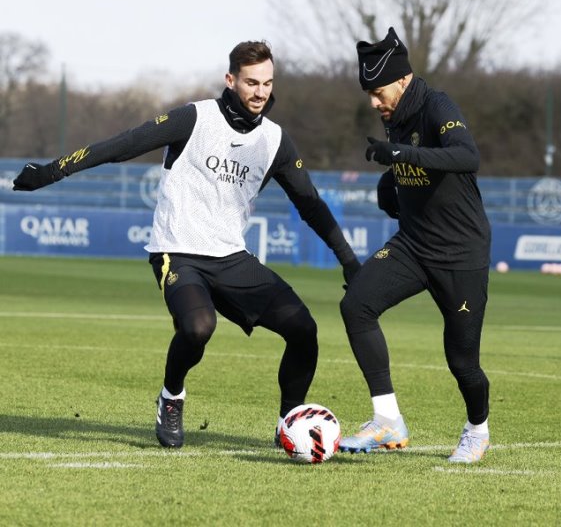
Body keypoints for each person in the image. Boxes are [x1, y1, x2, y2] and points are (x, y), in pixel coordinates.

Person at [13, 40, 361, 449]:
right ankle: (171, 397)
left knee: (303, 329)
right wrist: (52, 172)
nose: (260, 92)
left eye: (267, 83)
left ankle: (290, 422)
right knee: (198, 328)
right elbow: (122, 144)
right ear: (231, 80)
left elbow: (311, 205)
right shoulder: (194, 118)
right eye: (251, 82)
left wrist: (348, 260)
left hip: (232, 257)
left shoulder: (276, 141)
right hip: (177, 250)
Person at [338, 27, 491, 463]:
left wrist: (402, 157)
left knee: (463, 363)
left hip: (461, 254)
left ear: (403, 82)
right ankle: (388, 422)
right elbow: (412, 174)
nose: (373, 102)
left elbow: (466, 157)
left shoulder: (436, 104)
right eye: (367, 92)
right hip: (413, 245)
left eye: (378, 91)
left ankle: (477, 429)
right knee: (357, 305)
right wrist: (391, 186)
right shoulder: (394, 117)